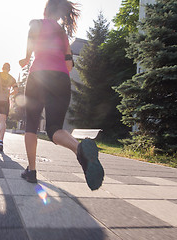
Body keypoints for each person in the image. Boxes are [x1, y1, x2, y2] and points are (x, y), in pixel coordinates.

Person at [19, 0, 104, 190]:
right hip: (62, 79)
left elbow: (30, 45)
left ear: (46, 9)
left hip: (38, 76)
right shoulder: (63, 34)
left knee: (31, 124)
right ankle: (79, 149)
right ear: (60, 14)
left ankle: (31, 171)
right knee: (54, 128)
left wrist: (26, 57)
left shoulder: (36, 23)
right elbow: (69, 64)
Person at [0, 63, 18, 152]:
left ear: (2, 68)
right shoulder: (12, 79)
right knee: (2, 120)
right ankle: (1, 141)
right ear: (9, 69)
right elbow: (16, 90)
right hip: (5, 101)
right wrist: (9, 94)